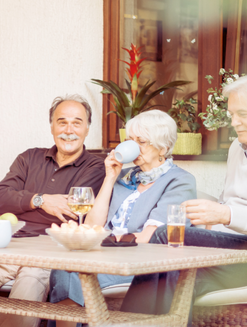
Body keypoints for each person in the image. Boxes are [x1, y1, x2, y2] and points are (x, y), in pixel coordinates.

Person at [0, 94, 106, 327]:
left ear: (87, 128)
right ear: (51, 127)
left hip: (50, 250)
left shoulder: (95, 166)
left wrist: (20, 203)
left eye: (77, 122)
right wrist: (40, 200)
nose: (69, 129)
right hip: (12, 244)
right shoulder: (29, 158)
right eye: (61, 122)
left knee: (30, 279)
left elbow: (72, 210)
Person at [48, 109, 196, 327]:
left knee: (72, 273)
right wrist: (110, 178)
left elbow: (152, 236)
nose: (133, 147)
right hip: (104, 258)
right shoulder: (126, 178)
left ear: (162, 148)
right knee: (65, 267)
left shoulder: (179, 181)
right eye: (129, 140)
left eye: (141, 141)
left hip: (139, 266)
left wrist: (105, 244)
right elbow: (92, 226)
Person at [120, 76, 247, 324]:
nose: (234, 122)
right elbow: (230, 200)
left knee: (166, 234)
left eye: (241, 113)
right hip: (233, 256)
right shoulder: (236, 148)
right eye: (232, 114)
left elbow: (230, 211)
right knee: (177, 279)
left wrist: (225, 215)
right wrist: (211, 220)